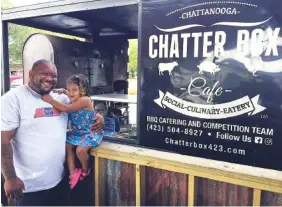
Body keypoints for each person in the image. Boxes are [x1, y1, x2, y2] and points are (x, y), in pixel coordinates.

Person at [1, 59, 104, 206]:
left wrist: (99, 117)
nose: (50, 78)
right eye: (44, 73)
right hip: (29, 187)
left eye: (54, 75)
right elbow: (3, 141)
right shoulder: (13, 99)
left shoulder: (60, 97)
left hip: (59, 182)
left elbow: (84, 107)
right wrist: (10, 178)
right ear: (31, 74)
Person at [41, 74, 103, 189]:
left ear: (83, 91)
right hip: (77, 133)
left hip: (90, 133)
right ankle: (73, 172)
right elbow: (70, 95)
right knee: (68, 146)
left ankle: (85, 170)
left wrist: (51, 100)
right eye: (69, 89)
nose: (70, 93)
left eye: (74, 90)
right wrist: (63, 91)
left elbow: (67, 108)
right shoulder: (74, 97)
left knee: (80, 150)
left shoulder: (85, 100)